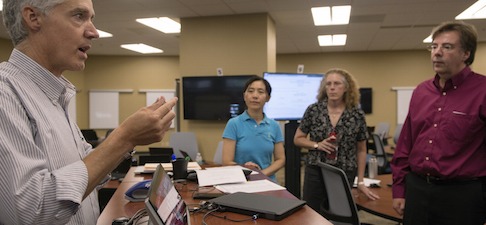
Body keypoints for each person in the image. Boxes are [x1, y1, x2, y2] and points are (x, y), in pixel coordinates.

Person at [0, 0, 178, 224]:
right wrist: (125, 137)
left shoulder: (55, 96)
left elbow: (86, 170)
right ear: (33, 18)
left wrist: (128, 138)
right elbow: (30, 212)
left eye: (91, 19)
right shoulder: (5, 94)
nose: (94, 32)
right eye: (78, 16)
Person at [391, 21, 486, 225]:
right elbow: (405, 144)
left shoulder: (482, 91)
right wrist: (399, 189)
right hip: (417, 190)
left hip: (462, 196)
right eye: (434, 46)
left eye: (447, 47)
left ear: (466, 54)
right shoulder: (421, 91)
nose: (437, 52)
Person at [293, 68, 379, 212]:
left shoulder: (356, 114)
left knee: (341, 213)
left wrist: (361, 181)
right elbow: (298, 139)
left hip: (344, 172)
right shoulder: (314, 110)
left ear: (346, 88)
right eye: (328, 84)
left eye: (337, 84)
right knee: (312, 213)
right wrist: (316, 145)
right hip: (316, 170)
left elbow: (362, 150)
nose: (332, 87)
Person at [222, 75, 285, 181]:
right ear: (245, 96)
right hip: (241, 180)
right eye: (251, 91)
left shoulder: (274, 126)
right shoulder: (233, 124)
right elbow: (226, 161)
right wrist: (246, 169)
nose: (255, 96)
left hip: (267, 180)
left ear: (268, 98)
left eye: (260, 92)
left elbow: (281, 159)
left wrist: (262, 174)